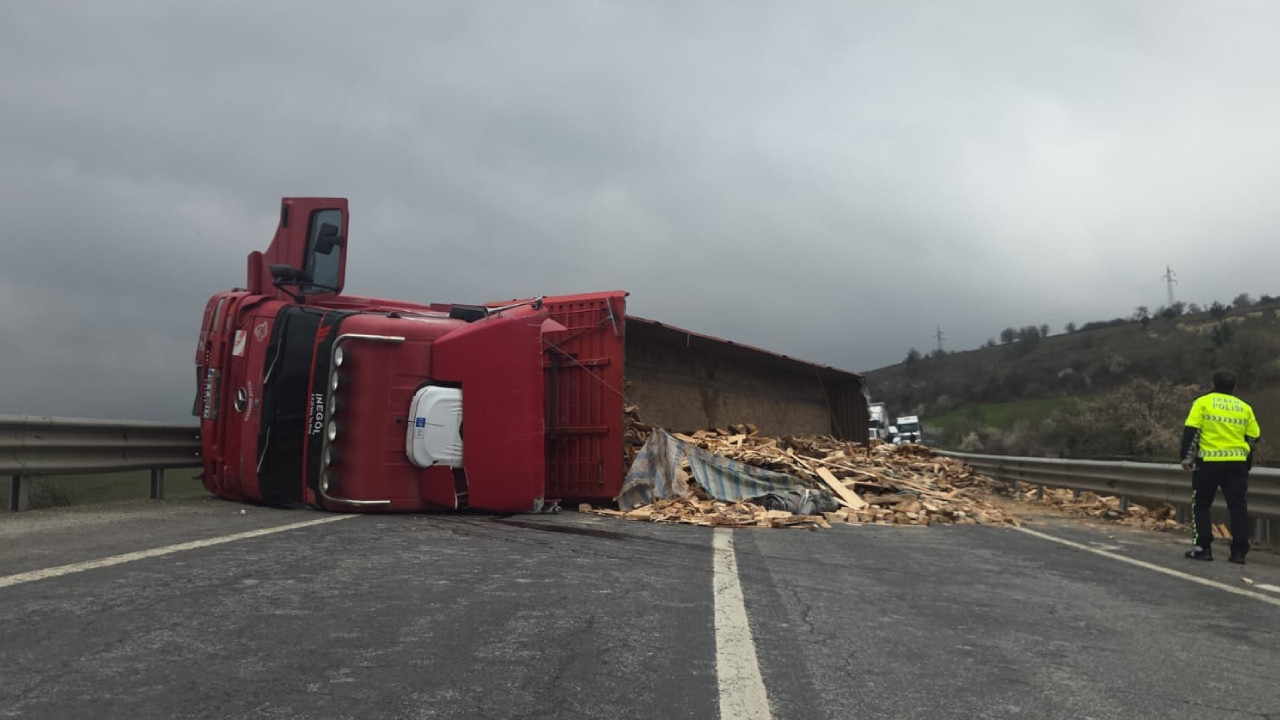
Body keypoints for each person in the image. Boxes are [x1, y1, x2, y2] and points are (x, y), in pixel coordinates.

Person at [1179, 371, 1260, 564]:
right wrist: (1245, 454)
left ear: (1212, 384)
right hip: (1237, 464)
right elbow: (1254, 437)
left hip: (1209, 462)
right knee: (1238, 506)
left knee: (1201, 504)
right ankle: (1239, 552)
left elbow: (1192, 431)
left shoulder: (1202, 402)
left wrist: (1186, 458)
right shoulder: (1244, 407)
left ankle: (1203, 548)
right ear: (1234, 388)